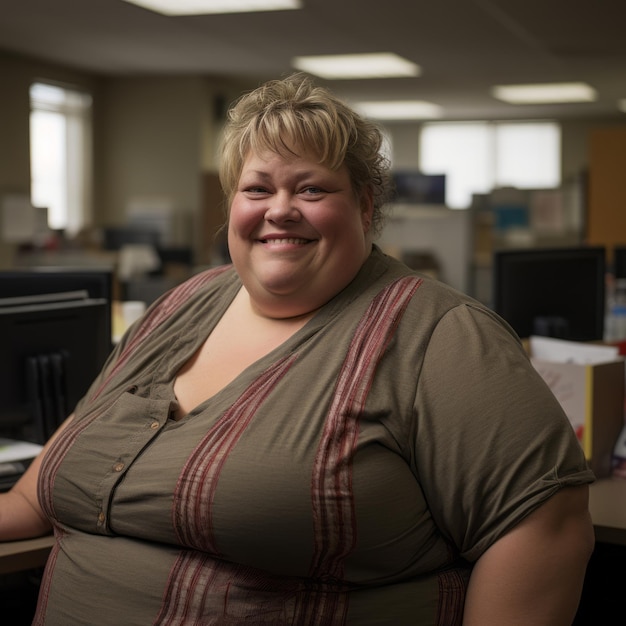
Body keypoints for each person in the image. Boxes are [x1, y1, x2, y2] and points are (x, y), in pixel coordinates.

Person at [1, 73, 594, 625]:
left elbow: (546, 534)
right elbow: (36, 494)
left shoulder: (441, 334)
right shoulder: (182, 305)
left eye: (311, 188)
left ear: (365, 206)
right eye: (256, 189)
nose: (279, 209)